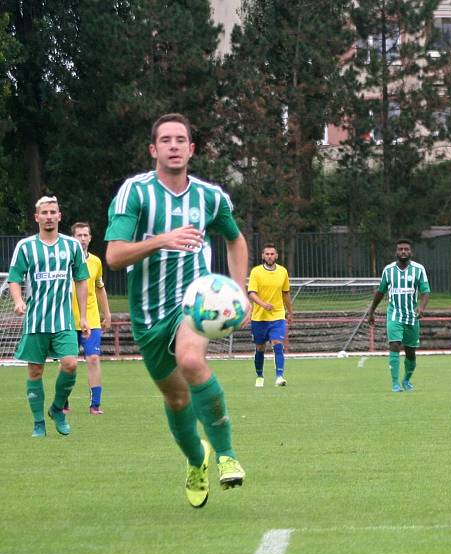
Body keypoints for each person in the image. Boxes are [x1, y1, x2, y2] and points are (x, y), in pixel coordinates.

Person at [105, 113, 250, 509]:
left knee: (190, 358)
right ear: (154, 149)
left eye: (180, 139)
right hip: (148, 315)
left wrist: (242, 291)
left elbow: (236, 241)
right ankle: (196, 460)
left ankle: (226, 454)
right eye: (165, 140)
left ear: (191, 149)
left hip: (194, 301)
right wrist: (161, 240)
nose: (173, 145)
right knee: (177, 400)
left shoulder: (209, 196)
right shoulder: (135, 193)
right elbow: (114, 255)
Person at [7, 196, 89, 437]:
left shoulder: (72, 246)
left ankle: (57, 408)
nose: (49, 216)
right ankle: (38, 422)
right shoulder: (25, 247)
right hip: (36, 320)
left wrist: (83, 316)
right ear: (37, 217)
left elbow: (81, 280)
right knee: (35, 372)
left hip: (63, 320)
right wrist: (19, 301)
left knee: (71, 364)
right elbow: (14, 277)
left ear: (59, 216)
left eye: (53, 212)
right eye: (44, 212)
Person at [367, 239, 431, 392]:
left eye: (406, 249)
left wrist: (421, 307)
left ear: (411, 252)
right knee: (394, 344)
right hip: (394, 314)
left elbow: (426, 291)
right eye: (400, 249)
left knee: (410, 351)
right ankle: (395, 383)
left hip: (412, 316)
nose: (403, 251)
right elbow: (380, 292)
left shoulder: (418, 269)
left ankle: (406, 380)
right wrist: (371, 311)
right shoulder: (388, 270)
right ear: (396, 252)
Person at [66, 222, 112, 415]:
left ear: (90, 238)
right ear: (73, 238)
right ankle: (63, 402)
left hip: (91, 318)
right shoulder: (64, 261)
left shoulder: (96, 262)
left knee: (93, 358)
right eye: (79, 235)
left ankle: (95, 405)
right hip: (67, 318)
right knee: (68, 363)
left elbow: (100, 288)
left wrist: (107, 313)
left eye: (86, 235)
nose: (83, 239)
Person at [247, 243, 293, 388]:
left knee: (278, 344)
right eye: (267, 254)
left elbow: (285, 293)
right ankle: (259, 376)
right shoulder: (256, 272)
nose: (269, 256)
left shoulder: (283, 272)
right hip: (259, 317)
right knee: (260, 348)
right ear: (262, 256)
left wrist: (290, 312)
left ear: (276, 256)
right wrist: (263, 304)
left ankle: (279, 376)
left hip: (278, 315)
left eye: (272, 254)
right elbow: (251, 293)